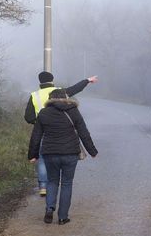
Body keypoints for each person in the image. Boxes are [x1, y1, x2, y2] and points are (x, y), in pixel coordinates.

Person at [28, 89, 98, 225]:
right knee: (67, 183)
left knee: (52, 181)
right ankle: (62, 217)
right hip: (70, 153)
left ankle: (49, 209)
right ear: (66, 98)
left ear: (50, 99)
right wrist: (92, 151)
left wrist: (33, 155)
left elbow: (36, 136)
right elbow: (84, 133)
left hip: (50, 153)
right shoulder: (73, 111)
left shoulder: (44, 113)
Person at [24, 71, 98, 196]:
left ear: (40, 82)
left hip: (43, 131)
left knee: (42, 159)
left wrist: (39, 122)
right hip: (62, 130)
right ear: (52, 80)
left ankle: (43, 186)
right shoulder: (60, 91)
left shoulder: (34, 95)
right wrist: (87, 80)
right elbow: (75, 89)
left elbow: (28, 117)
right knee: (65, 177)